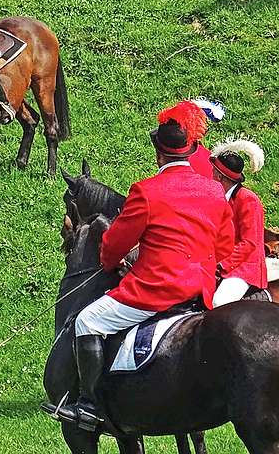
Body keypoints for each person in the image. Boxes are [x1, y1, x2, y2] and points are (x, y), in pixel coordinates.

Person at [55, 101, 234, 431]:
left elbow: (113, 246)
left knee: (86, 321)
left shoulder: (146, 191)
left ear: (158, 154)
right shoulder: (213, 190)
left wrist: (114, 260)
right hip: (201, 290)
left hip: (155, 291)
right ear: (192, 148)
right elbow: (223, 245)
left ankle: (90, 405)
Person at [211, 139, 268, 307]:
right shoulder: (220, 197)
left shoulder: (248, 199)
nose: (211, 175)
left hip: (244, 267)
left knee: (218, 302)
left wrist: (222, 265)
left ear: (219, 176)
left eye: (213, 172)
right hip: (222, 260)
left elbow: (249, 243)